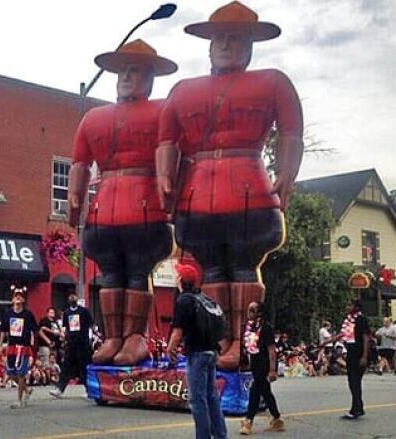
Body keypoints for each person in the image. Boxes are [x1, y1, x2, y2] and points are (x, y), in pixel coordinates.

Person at [157, 1, 303, 370]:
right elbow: (166, 141)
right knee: (213, 272)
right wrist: (164, 178)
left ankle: (242, 342)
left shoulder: (273, 82)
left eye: (236, 39)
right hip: (196, 196)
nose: (225, 45)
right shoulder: (182, 90)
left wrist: (286, 172)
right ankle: (220, 339)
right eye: (219, 38)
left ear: (251, 46)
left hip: (250, 193)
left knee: (242, 268)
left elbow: (291, 131)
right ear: (208, 45)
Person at [68, 39, 177, 367]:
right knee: (111, 275)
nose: (127, 76)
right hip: (104, 211)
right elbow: (79, 164)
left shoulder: (162, 111)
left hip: (145, 210)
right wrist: (74, 203)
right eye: (123, 70)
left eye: (135, 71)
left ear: (149, 78)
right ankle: (113, 335)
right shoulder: (93, 118)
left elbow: (172, 155)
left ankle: (135, 337)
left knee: (136, 274)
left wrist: (171, 195)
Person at [167, 264, 228, 439]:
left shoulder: (184, 300)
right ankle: (220, 435)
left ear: (180, 279)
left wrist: (170, 349)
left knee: (197, 400)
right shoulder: (203, 297)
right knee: (212, 397)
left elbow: (177, 331)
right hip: (211, 351)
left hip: (197, 353)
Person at [239, 302, 284, 435]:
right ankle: (276, 418)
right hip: (255, 362)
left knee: (255, 390)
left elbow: (271, 350)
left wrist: (272, 370)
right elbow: (250, 347)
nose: (249, 313)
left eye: (252, 310)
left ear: (260, 313)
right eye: (248, 310)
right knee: (266, 392)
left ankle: (248, 420)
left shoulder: (267, 328)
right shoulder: (250, 328)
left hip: (264, 363)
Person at [324, 299, 371, 419]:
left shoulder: (361, 319)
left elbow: (366, 338)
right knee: (352, 382)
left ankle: (356, 409)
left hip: (358, 352)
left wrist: (364, 356)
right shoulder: (349, 321)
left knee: (355, 381)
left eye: (350, 305)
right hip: (350, 352)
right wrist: (326, 342)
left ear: (356, 307)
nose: (347, 307)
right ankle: (358, 407)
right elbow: (342, 335)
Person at [0, 285, 38, 408]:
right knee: (10, 372)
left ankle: (19, 400)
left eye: (20, 296)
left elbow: (34, 330)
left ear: (23, 300)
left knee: (21, 373)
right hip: (11, 346)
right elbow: (3, 330)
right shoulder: (7, 314)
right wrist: (0, 345)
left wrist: (31, 345)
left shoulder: (28, 314)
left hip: (23, 346)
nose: (18, 298)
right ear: (12, 299)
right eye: (16, 296)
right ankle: (27, 389)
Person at [50, 291, 93, 398]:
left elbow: (91, 325)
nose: (72, 298)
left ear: (76, 298)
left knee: (84, 366)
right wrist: (64, 338)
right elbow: (65, 328)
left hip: (82, 343)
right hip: (71, 343)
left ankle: (89, 389)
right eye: (70, 296)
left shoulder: (84, 311)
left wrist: (90, 338)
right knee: (66, 365)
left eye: (73, 296)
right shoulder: (67, 313)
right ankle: (60, 388)